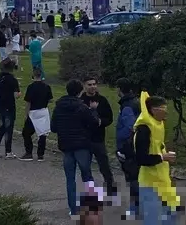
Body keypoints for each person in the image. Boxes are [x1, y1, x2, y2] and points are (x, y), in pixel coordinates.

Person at [51, 79, 100, 218]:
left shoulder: (58, 107)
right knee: (87, 175)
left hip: (66, 146)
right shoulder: (82, 107)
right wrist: (94, 111)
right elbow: (93, 123)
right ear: (80, 92)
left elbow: (53, 127)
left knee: (70, 179)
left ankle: (73, 209)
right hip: (82, 145)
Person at [134, 92, 180, 225]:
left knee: (172, 211)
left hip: (162, 178)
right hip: (149, 182)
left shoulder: (158, 124)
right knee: (152, 219)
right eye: (163, 108)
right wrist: (162, 157)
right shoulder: (144, 130)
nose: (166, 112)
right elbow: (141, 158)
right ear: (154, 110)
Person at [80, 77, 117, 195]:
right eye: (89, 84)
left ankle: (110, 186)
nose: (92, 87)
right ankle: (90, 190)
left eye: (94, 84)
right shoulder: (81, 101)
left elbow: (109, 118)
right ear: (84, 86)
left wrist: (101, 122)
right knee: (85, 166)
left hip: (98, 138)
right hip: (85, 139)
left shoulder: (102, 100)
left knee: (104, 163)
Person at [115, 80, 141, 218]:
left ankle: (135, 208)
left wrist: (123, 145)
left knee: (132, 178)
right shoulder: (135, 102)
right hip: (135, 145)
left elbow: (130, 127)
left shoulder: (126, 106)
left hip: (128, 147)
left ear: (119, 89)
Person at [19, 66, 53, 161]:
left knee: (26, 133)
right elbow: (50, 99)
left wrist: (26, 114)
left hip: (34, 112)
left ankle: (29, 152)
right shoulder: (47, 86)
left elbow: (28, 102)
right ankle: (40, 155)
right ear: (41, 75)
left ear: (33, 75)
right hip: (43, 111)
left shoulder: (31, 87)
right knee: (42, 133)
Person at [0, 58, 20, 158]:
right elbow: (16, 95)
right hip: (9, 106)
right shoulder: (12, 80)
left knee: (2, 128)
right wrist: (19, 93)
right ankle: (8, 152)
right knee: (9, 129)